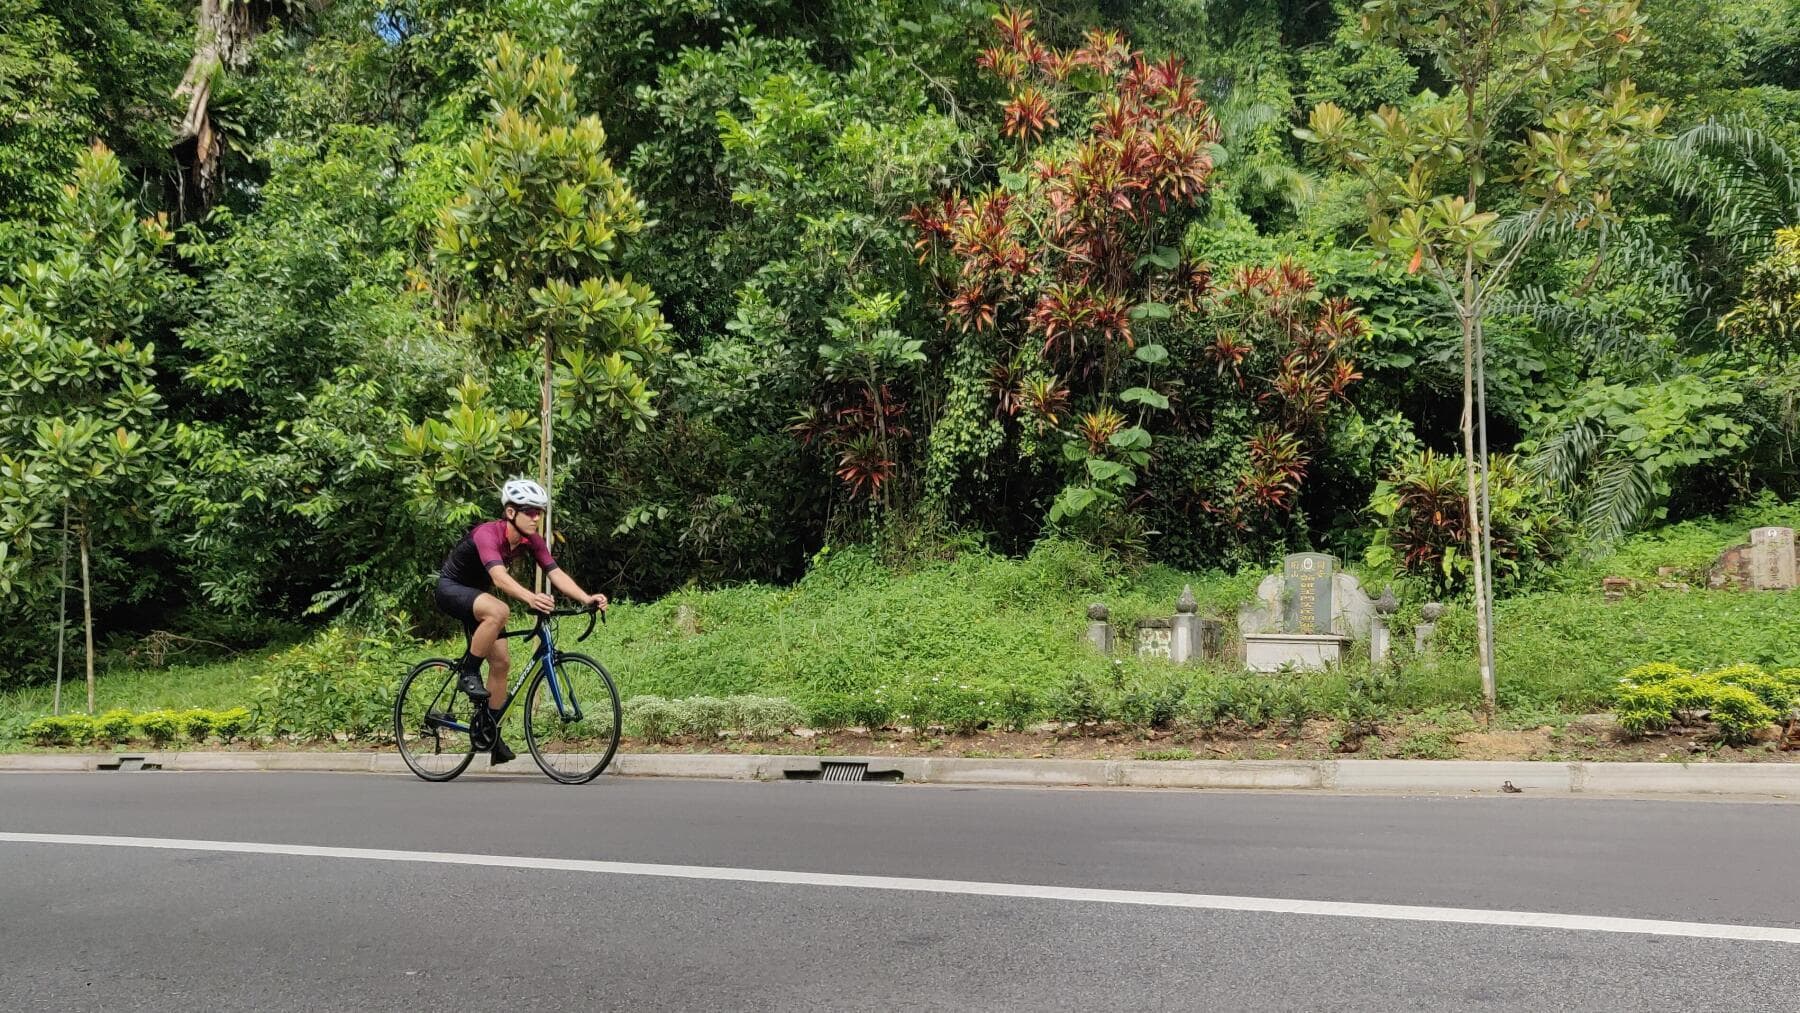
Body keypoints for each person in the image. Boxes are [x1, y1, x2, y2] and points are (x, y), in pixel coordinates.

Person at [433, 478, 607, 764]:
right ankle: (468, 673)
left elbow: (555, 573)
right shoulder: (487, 534)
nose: (536, 517)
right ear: (511, 513)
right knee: (500, 610)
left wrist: (586, 597)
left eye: (540, 512)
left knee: (501, 663)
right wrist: (530, 598)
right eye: (530, 511)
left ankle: (488, 731)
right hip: (451, 589)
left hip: (477, 597)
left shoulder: (531, 540)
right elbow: (499, 578)